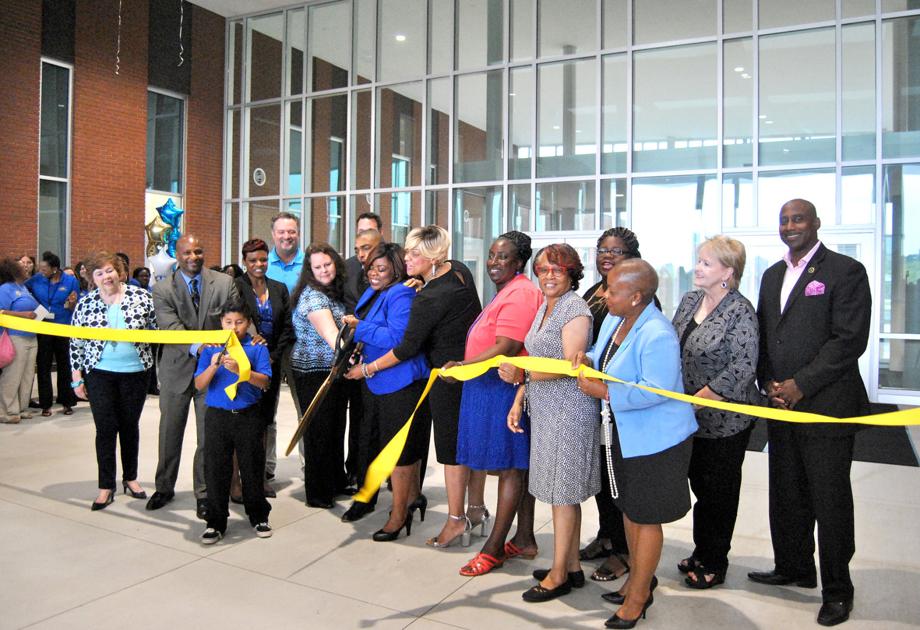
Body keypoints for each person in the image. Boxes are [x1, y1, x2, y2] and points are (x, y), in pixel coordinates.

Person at [749, 199, 871, 628]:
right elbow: (765, 334)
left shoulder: (845, 271)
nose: (790, 226)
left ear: (816, 224)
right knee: (786, 491)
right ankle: (794, 566)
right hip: (780, 405)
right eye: (783, 220)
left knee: (829, 498)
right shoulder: (772, 275)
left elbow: (849, 340)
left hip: (826, 406)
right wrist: (768, 382)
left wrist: (802, 384)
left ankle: (838, 590)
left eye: (797, 219)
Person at [576, 258, 697, 628]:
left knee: (645, 517)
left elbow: (655, 390)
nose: (603, 294)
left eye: (612, 290)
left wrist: (605, 391)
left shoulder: (657, 332)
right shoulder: (616, 320)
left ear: (636, 297)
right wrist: (588, 359)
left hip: (656, 440)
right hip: (626, 435)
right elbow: (606, 356)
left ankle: (640, 595)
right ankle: (637, 578)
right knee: (630, 510)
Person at [364, 226, 482, 548]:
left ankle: (456, 521)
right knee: (464, 446)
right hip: (470, 368)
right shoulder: (458, 271)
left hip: (445, 377)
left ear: (436, 256)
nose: (407, 258)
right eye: (407, 251)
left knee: (450, 452)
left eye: (416, 254)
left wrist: (368, 368)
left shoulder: (429, 297)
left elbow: (405, 347)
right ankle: (477, 509)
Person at [496, 244, 597, 604]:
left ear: (571, 273)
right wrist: (520, 395)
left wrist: (519, 375)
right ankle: (570, 566)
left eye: (557, 269)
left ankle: (558, 576)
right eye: (542, 269)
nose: (549, 275)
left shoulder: (575, 308)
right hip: (546, 409)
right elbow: (538, 358)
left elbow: (570, 367)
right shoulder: (544, 306)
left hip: (570, 412)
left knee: (563, 495)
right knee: (558, 492)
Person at [452, 232, 543, 576]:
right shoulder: (508, 290)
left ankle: (494, 549)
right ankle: (523, 538)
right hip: (490, 388)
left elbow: (506, 343)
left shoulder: (520, 293)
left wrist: (464, 367)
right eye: (491, 256)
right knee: (514, 467)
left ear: (519, 263)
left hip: (502, 391)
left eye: (502, 257)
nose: (493, 263)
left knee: (509, 468)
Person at [671, 236, 759, 588]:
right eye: (699, 260)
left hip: (726, 421)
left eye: (706, 263)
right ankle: (700, 549)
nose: (698, 268)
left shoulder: (741, 311)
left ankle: (714, 560)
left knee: (718, 492)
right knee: (698, 485)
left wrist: (701, 398)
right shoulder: (690, 299)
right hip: (689, 417)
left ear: (728, 271)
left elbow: (744, 366)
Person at [579, 227, 655, 583]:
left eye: (617, 251)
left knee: (618, 480)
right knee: (603, 476)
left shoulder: (641, 301)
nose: (607, 256)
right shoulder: (596, 293)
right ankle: (608, 536)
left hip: (620, 405)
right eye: (602, 250)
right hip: (596, 399)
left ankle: (624, 552)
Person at [147, 235, 240, 520]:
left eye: (198, 251)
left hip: (213, 373)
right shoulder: (163, 288)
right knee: (169, 432)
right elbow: (170, 327)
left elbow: (234, 320)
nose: (193, 256)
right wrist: (199, 348)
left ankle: (205, 492)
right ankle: (164, 487)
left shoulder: (224, 283)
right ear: (177, 254)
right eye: (187, 252)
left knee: (207, 437)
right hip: (176, 370)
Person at [341, 243, 430, 537]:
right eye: (371, 269)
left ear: (396, 269)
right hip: (379, 383)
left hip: (401, 382)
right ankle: (412, 498)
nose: (374, 274)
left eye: (382, 269)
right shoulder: (374, 292)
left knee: (400, 453)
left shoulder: (401, 293)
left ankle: (399, 514)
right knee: (387, 447)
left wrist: (360, 327)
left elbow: (398, 338)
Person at [69, 252, 157, 511]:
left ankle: (130, 478)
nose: (106, 277)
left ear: (119, 272)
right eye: (99, 273)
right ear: (92, 279)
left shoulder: (141, 297)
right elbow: (76, 341)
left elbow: (156, 329)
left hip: (136, 371)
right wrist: (76, 378)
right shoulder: (86, 304)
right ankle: (105, 485)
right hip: (99, 373)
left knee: (130, 426)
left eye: (110, 270)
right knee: (105, 429)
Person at [194, 299, 273, 544]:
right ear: (221, 323)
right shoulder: (211, 349)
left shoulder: (257, 347)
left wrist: (242, 371)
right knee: (216, 469)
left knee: (252, 466)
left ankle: (258, 515)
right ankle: (216, 522)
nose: (234, 327)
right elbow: (199, 384)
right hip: (217, 416)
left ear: (248, 323)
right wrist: (214, 363)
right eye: (228, 322)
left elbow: (265, 383)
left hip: (248, 415)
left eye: (239, 322)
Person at [290, 242, 350, 508]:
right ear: (309, 271)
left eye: (327, 264)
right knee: (319, 432)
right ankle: (318, 493)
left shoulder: (332, 293)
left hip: (333, 371)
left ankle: (335, 482)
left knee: (336, 428)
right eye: (318, 267)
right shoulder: (313, 297)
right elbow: (333, 339)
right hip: (313, 372)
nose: (324, 270)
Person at [235, 238, 293, 499]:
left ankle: (260, 478)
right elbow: (232, 322)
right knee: (245, 421)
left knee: (266, 421)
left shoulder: (279, 288)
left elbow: (287, 328)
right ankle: (239, 480)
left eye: (263, 259)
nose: (259, 264)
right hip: (245, 363)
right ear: (244, 262)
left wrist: (272, 357)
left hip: (271, 363)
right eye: (252, 260)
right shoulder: (236, 287)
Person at [342, 219, 383, 490]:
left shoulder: (396, 277)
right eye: (358, 248)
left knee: (378, 421)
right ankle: (356, 471)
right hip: (355, 354)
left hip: (384, 357)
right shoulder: (350, 269)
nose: (361, 254)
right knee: (359, 419)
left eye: (366, 248)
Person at [266, 211, 305, 477]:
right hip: (269, 347)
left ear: (298, 233)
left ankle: (310, 464)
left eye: (291, 231)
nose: (286, 236)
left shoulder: (309, 264)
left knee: (305, 408)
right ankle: (266, 467)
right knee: (266, 410)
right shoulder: (261, 264)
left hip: (301, 345)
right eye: (281, 232)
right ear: (273, 235)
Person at [26, 251, 80, 417]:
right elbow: (23, 288)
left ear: (55, 269)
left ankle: (66, 402)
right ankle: (45, 404)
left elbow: (75, 303)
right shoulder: (37, 279)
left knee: (65, 366)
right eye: (40, 269)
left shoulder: (70, 281)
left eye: (44, 269)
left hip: (64, 327)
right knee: (43, 365)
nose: (41, 271)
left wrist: (72, 303)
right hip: (43, 327)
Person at [0, 258, 40, 424]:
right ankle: (6, 411)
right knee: (13, 375)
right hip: (15, 336)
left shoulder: (24, 288)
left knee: (27, 375)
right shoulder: (5, 289)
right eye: (21, 266)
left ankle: (22, 407)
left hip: (31, 336)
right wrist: (23, 315)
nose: (25, 267)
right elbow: (1, 312)